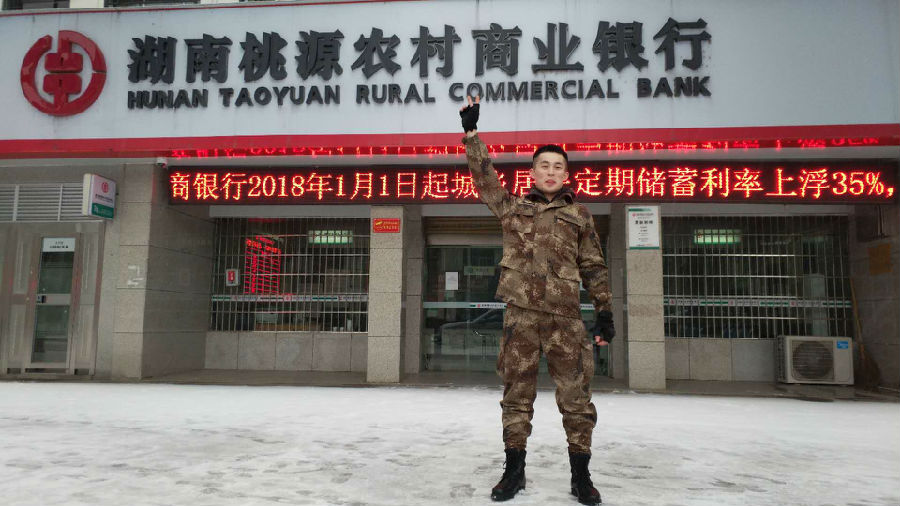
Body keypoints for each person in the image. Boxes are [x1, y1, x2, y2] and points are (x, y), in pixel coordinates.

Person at [459, 96, 614, 505]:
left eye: (557, 166)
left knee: (576, 399)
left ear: (567, 175)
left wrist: (605, 312)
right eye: (544, 165)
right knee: (516, 397)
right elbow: (485, 180)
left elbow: (594, 266)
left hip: (566, 321)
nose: (550, 171)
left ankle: (581, 476)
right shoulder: (512, 208)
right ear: (532, 172)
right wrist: (472, 136)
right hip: (521, 319)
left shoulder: (580, 215)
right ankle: (514, 471)